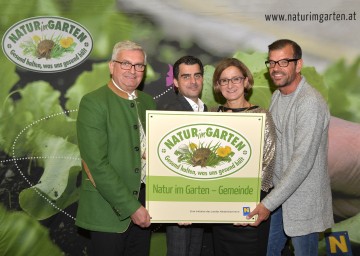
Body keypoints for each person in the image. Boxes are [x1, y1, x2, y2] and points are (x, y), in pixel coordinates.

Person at [247, 39, 334, 256]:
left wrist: (267, 204)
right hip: (279, 198)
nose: (276, 68)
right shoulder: (277, 96)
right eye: (272, 63)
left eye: (283, 62)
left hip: (302, 202)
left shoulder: (309, 103)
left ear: (298, 64)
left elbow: (302, 161)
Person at [75, 40, 156, 256]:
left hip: (145, 205)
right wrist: (131, 207)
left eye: (139, 66)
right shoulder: (94, 102)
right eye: (126, 64)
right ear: (112, 67)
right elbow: (96, 165)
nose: (133, 70)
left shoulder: (148, 102)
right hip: (108, 211)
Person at [210, 57, 276, 256]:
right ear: (217, 85)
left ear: (246, 82)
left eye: (236, 79)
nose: (230, 85)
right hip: (217, 209)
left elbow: (269, 162)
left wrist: (253, 201)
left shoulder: (262, 116)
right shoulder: (211, 115)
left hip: (249, 210)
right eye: (224, 80)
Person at [157, 55, 208, 256]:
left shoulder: (207, 111)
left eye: (197, 75)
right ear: (176, 83)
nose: (193, 81)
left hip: (202, 200)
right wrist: (176, 205)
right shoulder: (170, 112)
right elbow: (163, 162)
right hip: (179, 203)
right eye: (186, 77)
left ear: (203, 79)